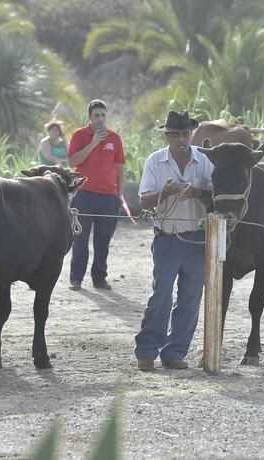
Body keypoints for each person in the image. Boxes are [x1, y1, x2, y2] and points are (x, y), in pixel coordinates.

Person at [134, 110, 214, 371]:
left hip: (197, 237)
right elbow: (144, 201)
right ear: (167, 136)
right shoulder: (155, 162)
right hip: (167, 236)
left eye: (185, 134)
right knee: (162, 294)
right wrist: (164, 193)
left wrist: (198, 192)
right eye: (176, 134)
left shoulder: (204, 161)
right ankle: (146, 350)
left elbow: (216, 197)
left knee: (190, 298)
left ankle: (174, 352)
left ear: (191, 135)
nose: (181, 139)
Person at [67, 99, 126, 291]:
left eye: (102, 115)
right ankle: (76, 278)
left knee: (103, 241)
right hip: (83, 194)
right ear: (89, 117)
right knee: (80, 239)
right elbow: (73, 161)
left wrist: (119, 195)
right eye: (96, 115)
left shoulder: (114, 138)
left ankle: (99, 277)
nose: (100, 119)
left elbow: (120, 168)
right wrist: (93, 143)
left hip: (108, 198)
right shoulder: (79, 135)